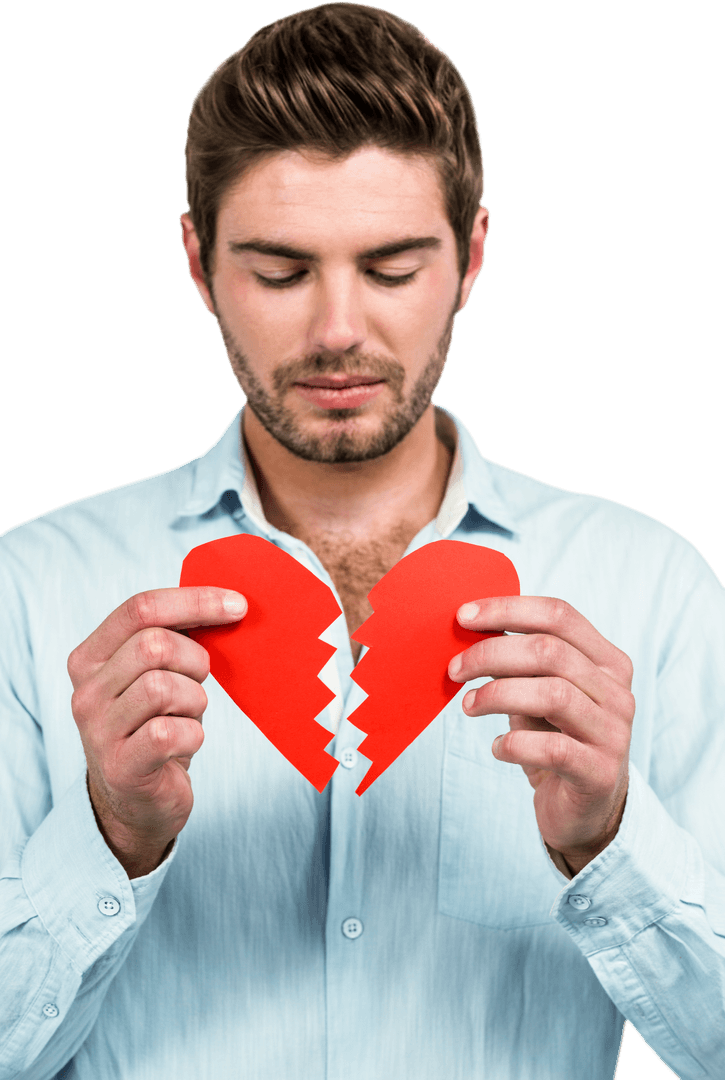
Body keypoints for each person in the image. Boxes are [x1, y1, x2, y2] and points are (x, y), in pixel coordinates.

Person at [1, 4, 722, 1078]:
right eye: (280, 272)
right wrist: (110, 834)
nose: (337, 328)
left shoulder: (644, 586)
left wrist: (606, 837)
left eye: (389, 269)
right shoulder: (34, 591)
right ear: (197, 265)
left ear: (470, 258)